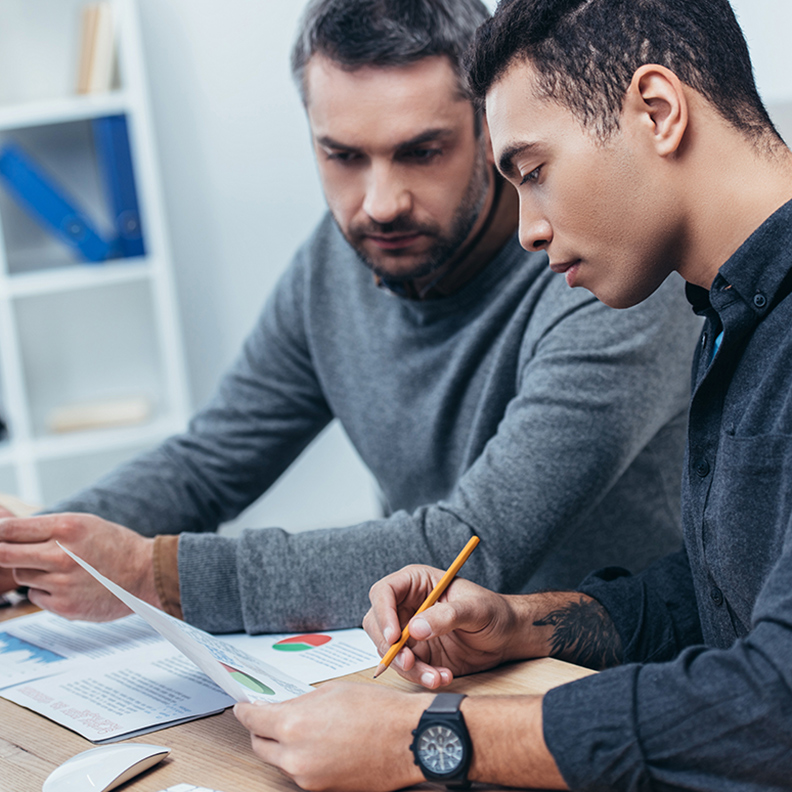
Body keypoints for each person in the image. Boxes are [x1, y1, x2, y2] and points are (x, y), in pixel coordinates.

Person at [0, 0, 699, 635]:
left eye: (421, 152)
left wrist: (151, 574)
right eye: (342, 156)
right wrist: (32, 543)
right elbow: (209, 465)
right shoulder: (336, 265)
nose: (381, 202)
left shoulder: (601, 268)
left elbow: (469, 547)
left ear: (491, 127)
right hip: (423, 656)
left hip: (608, 678)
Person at [231, 0, 792, 790]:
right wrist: (523, 624)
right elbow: (724, 599)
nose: (527, 229)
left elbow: (774, 705)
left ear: (657, 112)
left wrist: (429, 738)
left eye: (533, 173)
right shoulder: (740, 313)